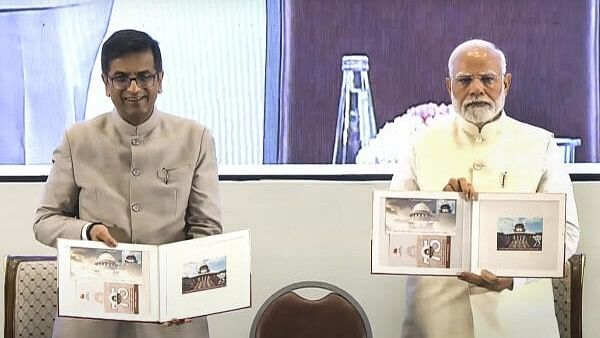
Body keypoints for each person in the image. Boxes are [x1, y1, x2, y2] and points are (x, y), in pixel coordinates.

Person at [33, 29, 221, 338]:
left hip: (169, 314)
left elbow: (206, 228)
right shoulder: (77, 139)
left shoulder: (194, 137)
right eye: (121, 78)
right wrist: (87, 231)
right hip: (91, 311)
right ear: (106, 84)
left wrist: (189, 295)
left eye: (144, 77)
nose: (134, 89)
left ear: (159, 79)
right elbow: (44, 221)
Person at [390, 39, 580, 338]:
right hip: (437, 319)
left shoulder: (540, 144)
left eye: (487, 79)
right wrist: (439, 209)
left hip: (518, 317)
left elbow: (567, 233)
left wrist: (515, 277)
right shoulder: (421, 144)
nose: (476, 89)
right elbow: (393, 235)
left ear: (506, 83)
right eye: (464, 80)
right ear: (449, 86)